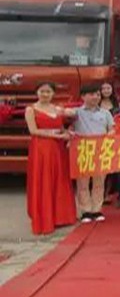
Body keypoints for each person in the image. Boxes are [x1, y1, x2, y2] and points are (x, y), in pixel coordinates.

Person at [24, 82, 77, 235]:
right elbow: (33, 131)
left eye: (48, 92)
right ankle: (44, 218)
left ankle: (61, 217)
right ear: (37, 92)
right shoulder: (31, 109)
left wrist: (67, 133)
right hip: (41, 148)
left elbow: (64, 125)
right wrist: (55, 135)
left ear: (53, 94)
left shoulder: (57, 109)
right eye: (42, 91)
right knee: (44, 180)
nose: (45, 94)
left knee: (59, 179)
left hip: (58, 149)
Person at [72, 85, 115, 223]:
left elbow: (112, 129)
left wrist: (110, 134)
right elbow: (69, 126)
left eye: (97, 94)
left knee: (99, 182)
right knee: (83, 182)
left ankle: (96, 209)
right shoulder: (76, 113)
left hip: (101, 151)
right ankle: (85, 211)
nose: (95, 97)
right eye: (91, 94)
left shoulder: (105, 113)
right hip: (83, 151)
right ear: (83, 96)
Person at [100, 82, 120, 205]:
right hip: (99, 139)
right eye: (104, 88)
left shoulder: (117, 105)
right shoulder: (96, 104)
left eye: (108, 88)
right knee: (101, 168)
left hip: (114, 139)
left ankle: (108, 193)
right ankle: (100, 194)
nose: (106, 90)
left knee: (112, 168)